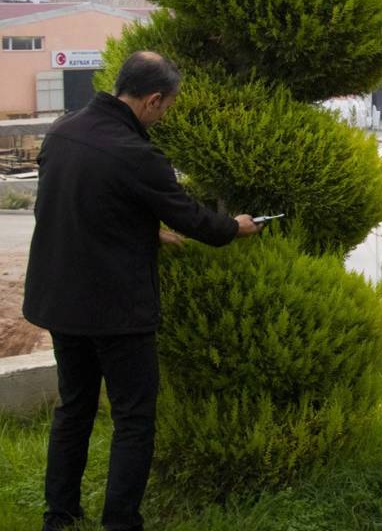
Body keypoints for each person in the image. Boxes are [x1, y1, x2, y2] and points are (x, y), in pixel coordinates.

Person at [24, 51, 262, 531]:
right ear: (154, 100)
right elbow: (196, 221)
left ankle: (59, 515)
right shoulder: (137, 155)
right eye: (167, 107)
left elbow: (79, 204)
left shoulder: (63, 131)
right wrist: (233, 226)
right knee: (133, 420)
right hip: (116, 311)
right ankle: (121, 523)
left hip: (59, 301)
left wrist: (145, 230)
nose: (164, 115)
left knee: (74, 409)